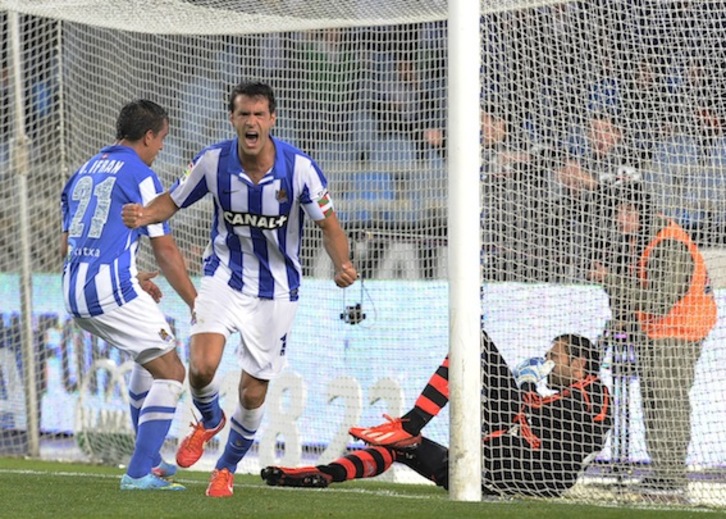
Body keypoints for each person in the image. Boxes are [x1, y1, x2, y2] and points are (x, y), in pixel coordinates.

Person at [121, 81, 358, 498]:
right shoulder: (212, 162)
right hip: (223, 277)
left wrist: (342, 264)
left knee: (252, 394)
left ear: (272, 120)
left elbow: (330, 226)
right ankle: (209, 419)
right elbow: (171, 201)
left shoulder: (299, 168)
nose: (251, 122)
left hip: (277, 292)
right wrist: (143, 214)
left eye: (259, 114)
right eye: (243, 114)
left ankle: (226, 468)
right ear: (233, 119)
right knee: (200, 367)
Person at [262, 331, 611, 498]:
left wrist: (525, 389)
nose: (547, 362)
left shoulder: (596, 391)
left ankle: (411, 423)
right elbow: (537, 414)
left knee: (473, 342)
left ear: (578, 364)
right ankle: (320, 474)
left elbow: (560, 418)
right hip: (491, 471)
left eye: (555, 356)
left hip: (533, 474)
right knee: (403, 447)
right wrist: (525, 392)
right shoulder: (564, 395)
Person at [60, 99, 197, 491]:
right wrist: (195, 302)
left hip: (75, 289)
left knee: (149, 359)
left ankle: (150, 458)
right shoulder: (140, 174)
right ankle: (139, 473)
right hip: (106, 290)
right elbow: (166, 251)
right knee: (172, 371)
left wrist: (131, 274)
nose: (161, 149)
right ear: (148, 135)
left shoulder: (85, 169)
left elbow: (73, 242)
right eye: (162, 140)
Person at [588, 181, 717, 495]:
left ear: (640, 211)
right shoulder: (643, 239)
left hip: (678, 333)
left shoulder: (667, 242)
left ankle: (672, 476)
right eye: (618, 211)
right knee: (656, 403)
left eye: (626, 211)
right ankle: (664, 472)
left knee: (668, 403)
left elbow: (659, 300)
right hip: (658, 332)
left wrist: (611, 280)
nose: (620, 218)